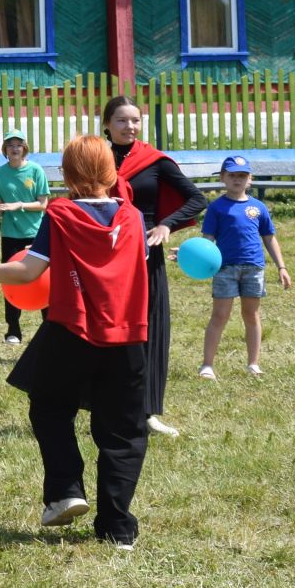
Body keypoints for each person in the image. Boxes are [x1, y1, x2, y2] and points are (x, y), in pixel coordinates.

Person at [0, 135, 150, 549]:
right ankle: (118, 529)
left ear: (68, 174)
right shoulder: (133, 217)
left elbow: (26, 273)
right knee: (124, 431)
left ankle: (66, 491)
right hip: (128, 335)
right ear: (110, 171)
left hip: (72, 330)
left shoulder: (60, 213)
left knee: (49, 405)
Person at [102, 95, 204, 439]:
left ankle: (147, 412)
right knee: (107, 332)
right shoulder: (94, 158)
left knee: (149, 331)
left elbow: (196, 199)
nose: (129, 126)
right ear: (107, 125)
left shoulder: (155, 161)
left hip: (145, 255)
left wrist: (165, 225)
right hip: (103, 253)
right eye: (121, 120)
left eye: (135, 120)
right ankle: (108, 407)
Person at [198, 155, 293, 380]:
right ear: (222, 178)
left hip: (254, 268)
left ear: (250, 179)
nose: (237, 180)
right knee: (220, 315)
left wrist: (281, 266)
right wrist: (191, 255)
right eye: (232, 175)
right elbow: (207, 239)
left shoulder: (258, 207)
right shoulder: (217, 208)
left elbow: (269, 238)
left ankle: (253, 364)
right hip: (225, 268)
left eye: (242, 175)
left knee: (251, 315)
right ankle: (207, 365)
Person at [0, 130, 51, 344]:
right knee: (11, 281)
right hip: (10, 236)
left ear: (24, 147)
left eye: (18, 144)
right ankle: (13, 330)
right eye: (10, 145)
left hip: (36, 235)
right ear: (4, 149)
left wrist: (20, 205)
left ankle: (49, 329)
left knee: (44, 281)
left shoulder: (35, 171)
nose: (14, 148)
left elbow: (43, 204)